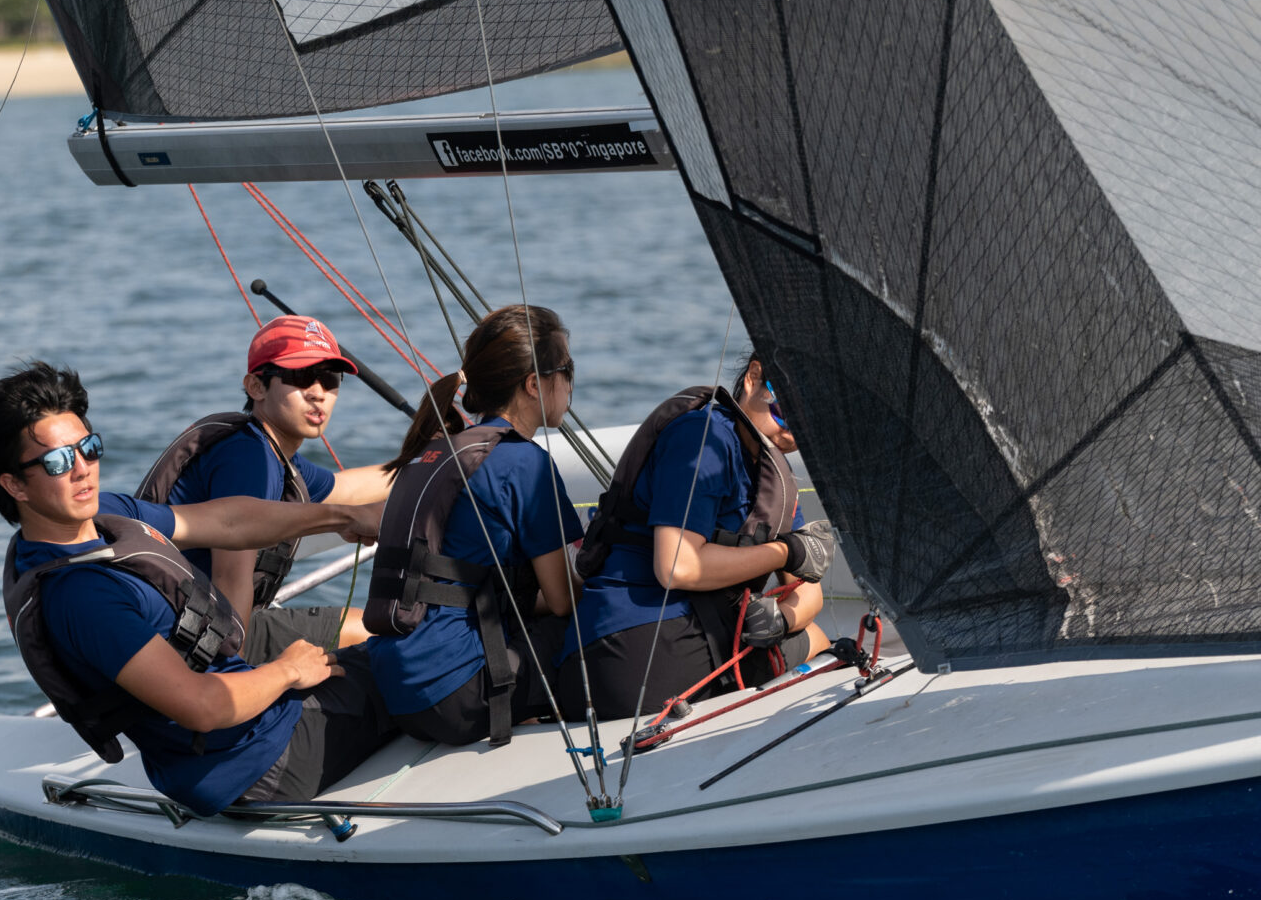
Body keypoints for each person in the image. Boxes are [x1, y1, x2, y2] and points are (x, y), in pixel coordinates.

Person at [0, 359, 394, 816]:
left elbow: (225, 521)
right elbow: (201, 707)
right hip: (259, 758)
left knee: (385, 641)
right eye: (58, 461)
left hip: (241, 728)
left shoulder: (103, 516)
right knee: (425, 660)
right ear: (14, 484)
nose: (82, 469)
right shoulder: (83, 595)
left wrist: (347, 517)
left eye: (89, 448)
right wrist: (289, 670)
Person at [553, 353, 835, 723]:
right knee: (820, 643)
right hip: (625, 652)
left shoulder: (774, 474)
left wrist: (781, 619)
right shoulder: (704, 439)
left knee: (810, 631)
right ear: (752, 377)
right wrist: (783, 552)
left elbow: (808, 589)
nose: (793, 431)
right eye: (785, 409)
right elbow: (676, 566)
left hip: (678, 639)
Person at [362, 305, 583, 747]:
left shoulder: (440, 448)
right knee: (603, 626)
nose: (572, 383)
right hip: (459, 693)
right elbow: (563, 601)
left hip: (401, 687)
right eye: (567, 369)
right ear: (534, 384)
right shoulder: (525, 463)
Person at [137, 314, 395, 653]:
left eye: (330, 380)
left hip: (192, 623)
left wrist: (441, 460)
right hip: (186, 638)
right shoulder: (249, 459)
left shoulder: (274, 454)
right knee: (371, 632)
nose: (318, 394)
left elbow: (346, 488)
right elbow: (231, 580)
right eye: (302, 378)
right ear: (256, 386)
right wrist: (237, 682)